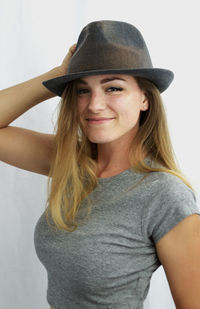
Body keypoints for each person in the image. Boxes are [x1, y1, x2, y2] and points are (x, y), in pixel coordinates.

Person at [0, 20, 200, 309]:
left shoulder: (166, 195)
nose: (94, 104)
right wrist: (58, 76)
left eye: (113, 89)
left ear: (145, 98)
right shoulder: (69, 161)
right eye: (82, 90)